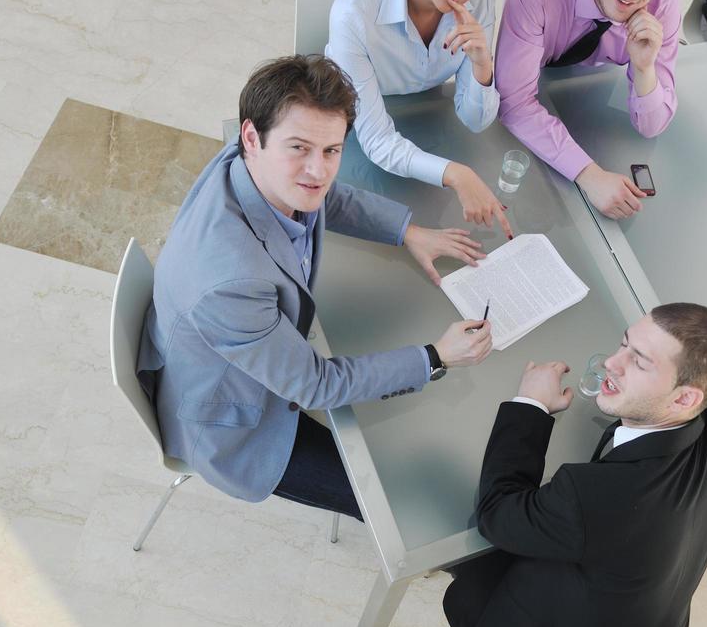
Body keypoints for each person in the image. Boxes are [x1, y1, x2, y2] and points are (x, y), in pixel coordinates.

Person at [137, 55, 494, 521]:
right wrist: (435, 357)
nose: (318, 171)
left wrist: (406, 229)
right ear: (251, 137)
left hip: (261, 353)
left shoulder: (252, 165)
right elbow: (314, 384)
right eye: (300, 148)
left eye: (332, 150)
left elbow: (324, 196)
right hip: (238, 426)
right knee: (406, 505)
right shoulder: (229, 282)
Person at [443, 304, 707, 627]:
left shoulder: (590, 494)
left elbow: (496, 513)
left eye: (638, 363)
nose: (611, 363)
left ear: (684, 398)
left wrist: (530, 406)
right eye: (624, 344)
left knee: (452, 526)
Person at [326, 0, 514, 237]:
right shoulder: (355, 11)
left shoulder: (481, 2)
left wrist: (482, 64)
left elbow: (475, 122)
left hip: (430, 124)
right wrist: (458, 175)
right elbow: (378, 143)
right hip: (358, 136)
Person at [494, 0, 684, 220]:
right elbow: (512, 102)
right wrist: (589, 175)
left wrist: (644, 69)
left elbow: (652, 127)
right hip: (533, 94)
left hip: (588, 103)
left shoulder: (663, 3)